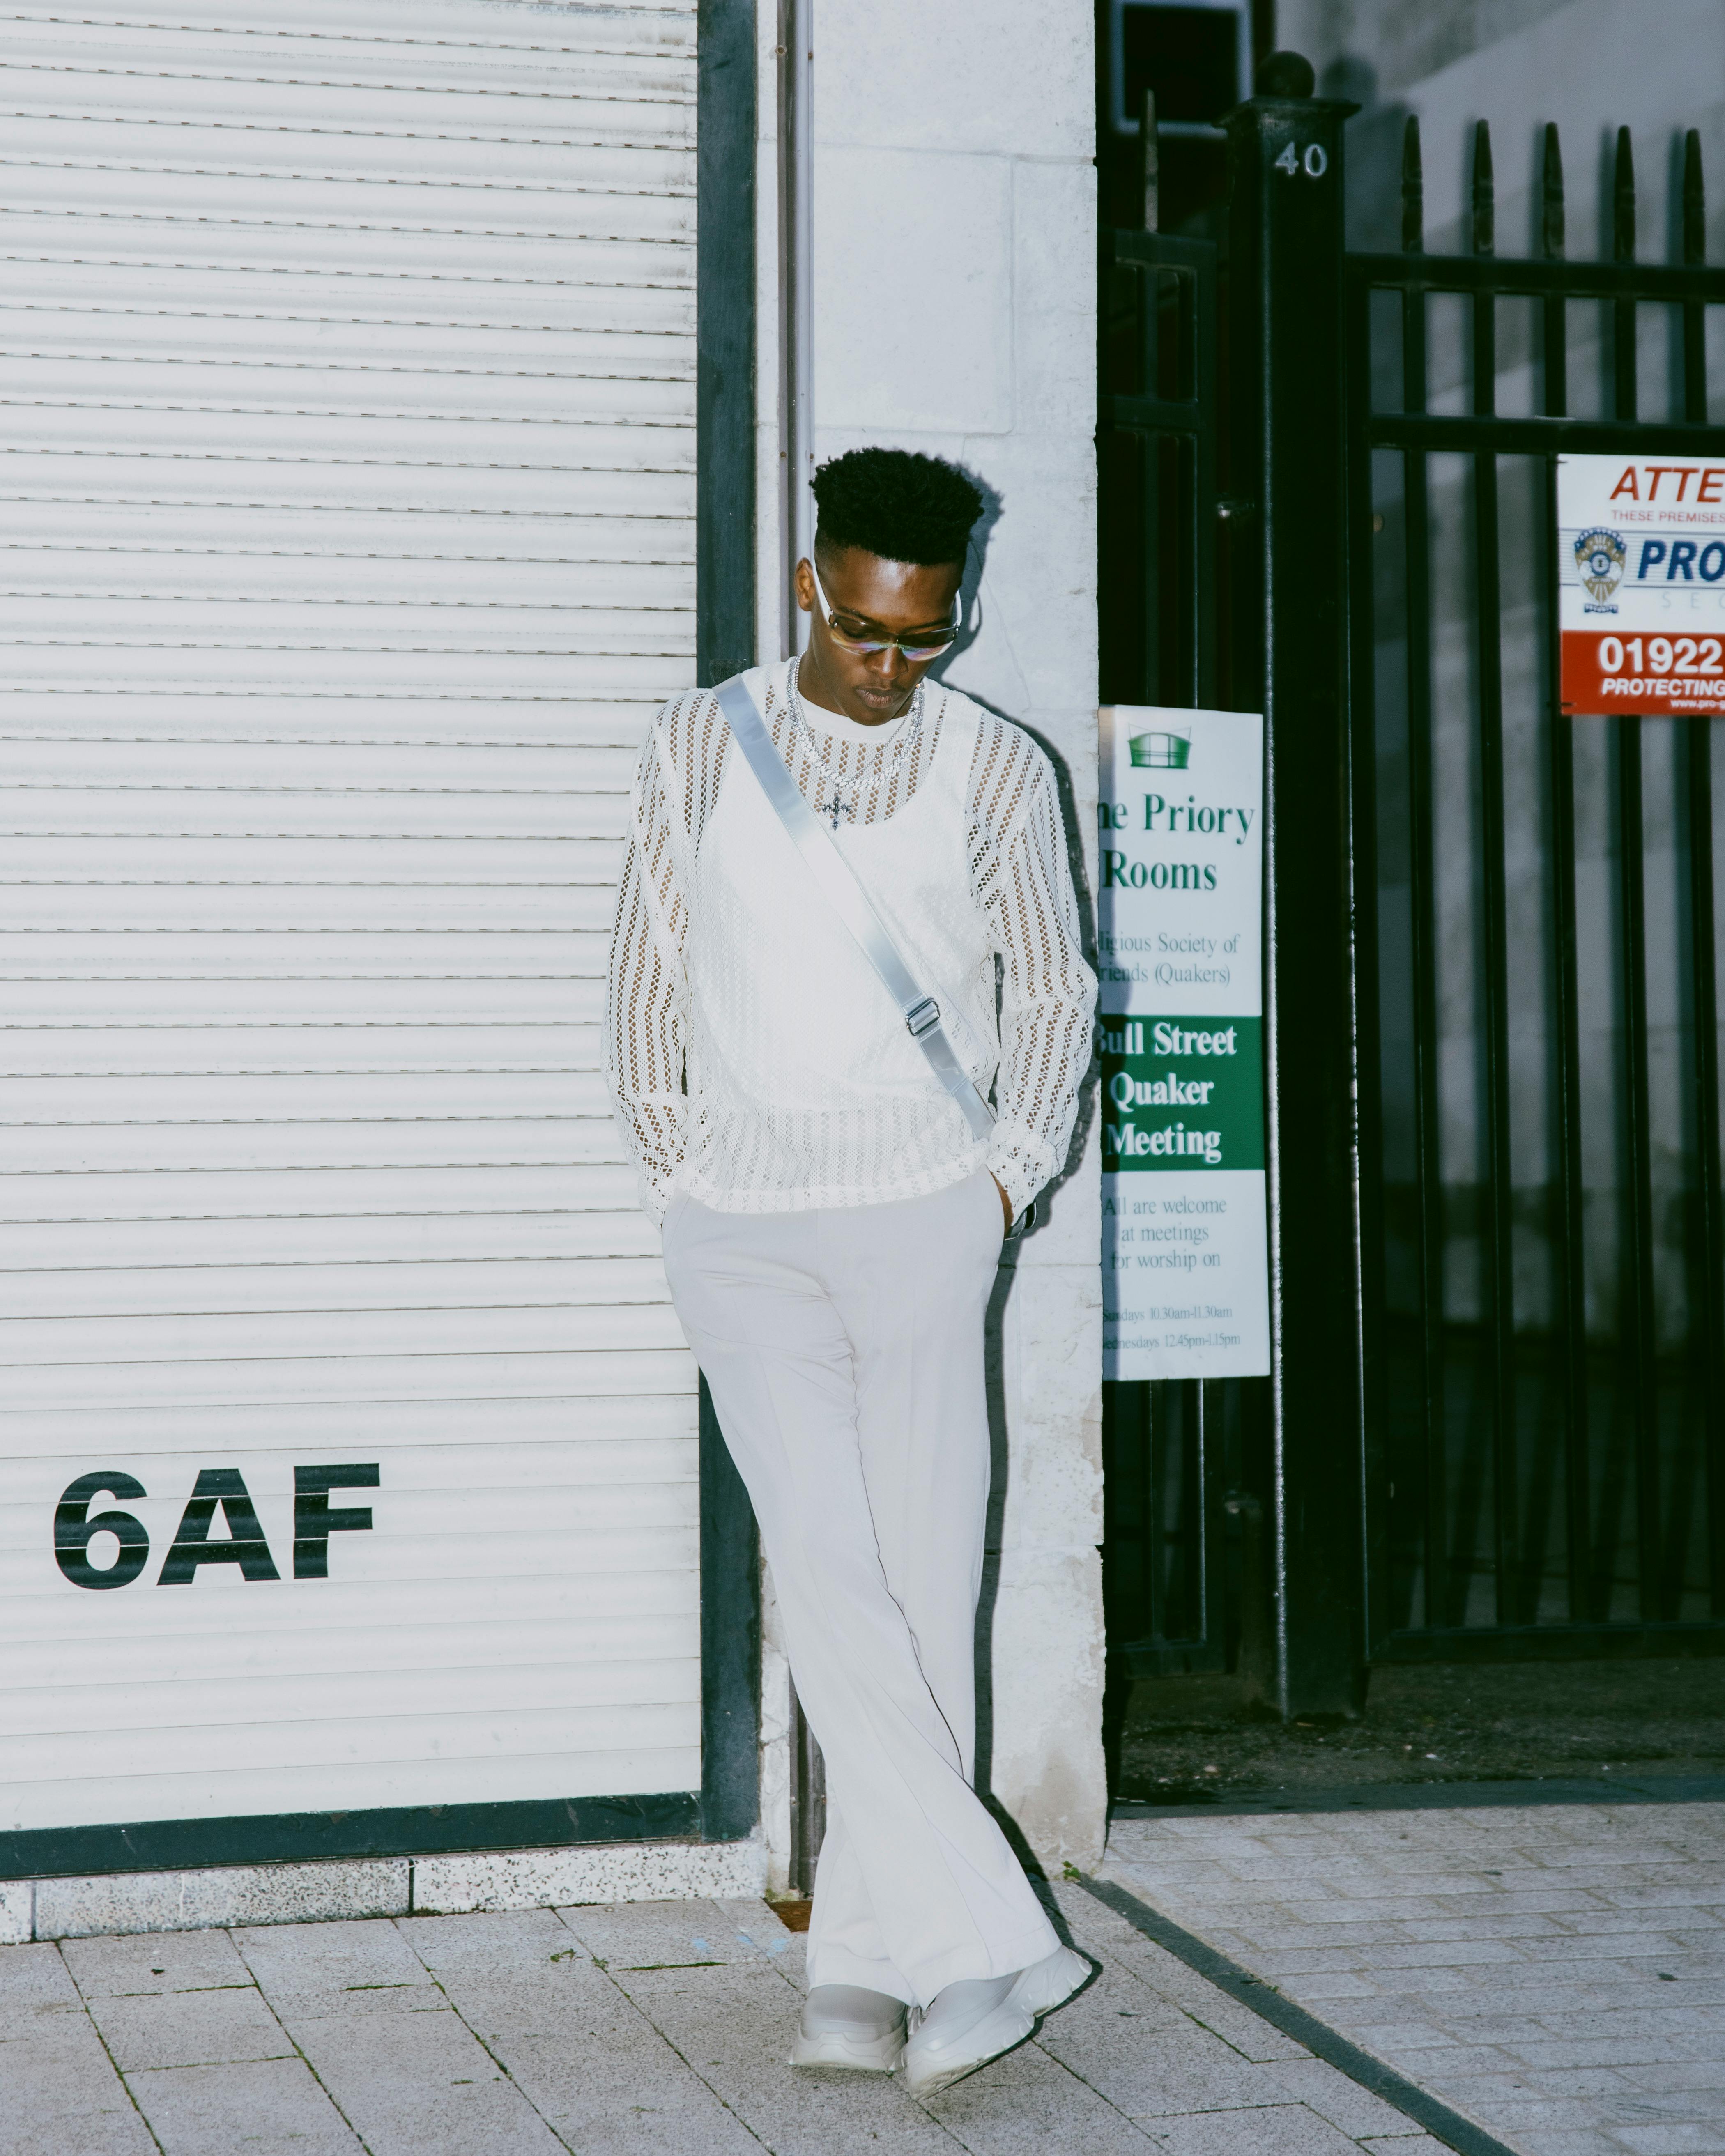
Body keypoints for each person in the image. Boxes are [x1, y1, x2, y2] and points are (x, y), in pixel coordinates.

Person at [605, 447, 1097, 2095]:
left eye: (927, 638)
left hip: (921, 1219)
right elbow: (645, 981)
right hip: (743, 1233)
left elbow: (1053, 990)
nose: (893, 667)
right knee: (827, 1575)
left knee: (919, 1583)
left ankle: (865, 1978)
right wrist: (679, 1177)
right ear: (815, 583)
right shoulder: (696, 744)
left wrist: (1007, 1179)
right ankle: (990, 1949)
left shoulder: (998, 767)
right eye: (871, 629)